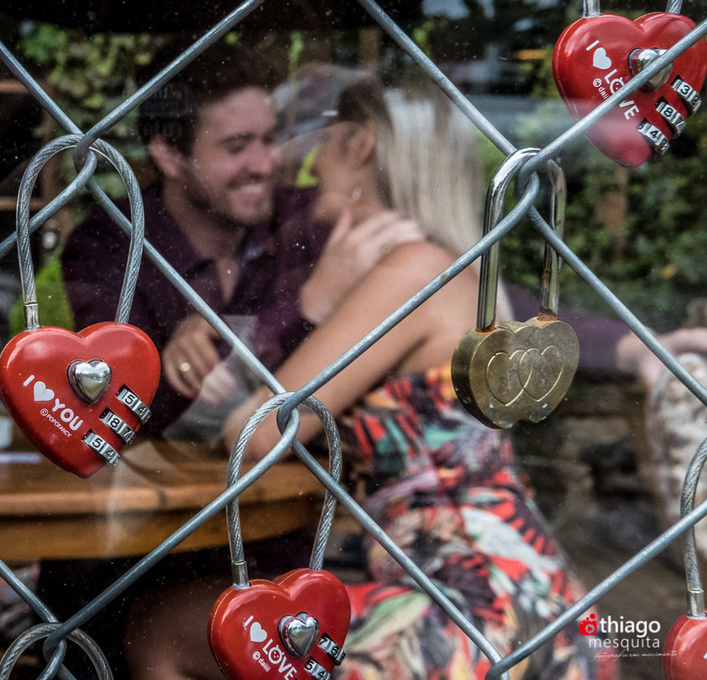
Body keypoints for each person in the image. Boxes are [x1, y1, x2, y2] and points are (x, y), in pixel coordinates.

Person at [124, 78, 617, 680]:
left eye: (324, 143)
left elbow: (257, 432)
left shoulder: (409, 272)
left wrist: (314, 304)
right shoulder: (449, 266)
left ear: (361, 148)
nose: (297, 166)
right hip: (525, 594)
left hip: (466, 612)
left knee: (159, 628)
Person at [61, 45, 422, 438]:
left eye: (269, 139)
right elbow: (121, 412)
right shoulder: (111, 244)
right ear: (168, 155)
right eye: (236, 147)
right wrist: (306, 307)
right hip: (168, 493)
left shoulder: (306, 219)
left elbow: (432, 267)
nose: (265, 164)